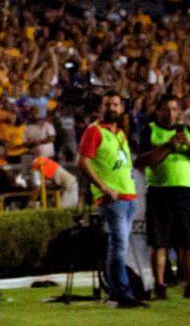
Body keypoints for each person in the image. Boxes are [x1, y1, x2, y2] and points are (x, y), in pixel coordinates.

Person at [77, 91, 145, 308]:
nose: (112, 109)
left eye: (116, 105)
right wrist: (104, 188)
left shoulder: (120, 133)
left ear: (121, 108)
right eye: (108, 105)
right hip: (112, 199)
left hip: (128, 196)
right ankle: (123, 294)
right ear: (101, 107)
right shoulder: (94, 131)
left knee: (116, 247)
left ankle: (116, 293)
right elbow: (83, 162)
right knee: (119, 246)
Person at [135, 94, 190, 299]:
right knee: (160, 242)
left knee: (187, 242)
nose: (171, 114)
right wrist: (168, 146)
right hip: (159, 191)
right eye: (167, 109)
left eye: (175, 110)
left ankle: (188, 284)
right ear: (157, 110)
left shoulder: (186, 131)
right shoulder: (150, 131)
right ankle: (160, 284)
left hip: (185, 191)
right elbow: (142, 161)